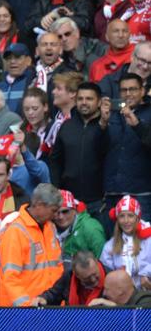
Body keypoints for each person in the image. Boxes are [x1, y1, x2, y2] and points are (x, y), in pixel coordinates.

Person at [0, 183, 64, 306]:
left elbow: (58, 268)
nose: (56, 216)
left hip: (48, 308)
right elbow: (11, 279)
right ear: (39, 205)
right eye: (53, 210)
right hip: (21, 313)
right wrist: (27, 307)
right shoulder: (15, 232)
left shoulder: (50, 228)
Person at [50, 82, 108, 213]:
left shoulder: (107, 125)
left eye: (89, 99)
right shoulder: (67, 126)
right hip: (70, 201)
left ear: (99, 102)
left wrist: (103, 125)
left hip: (99, 202)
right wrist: (57, 188)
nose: (84, 102)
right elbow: (55, 160)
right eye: (80, 99)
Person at [102, 74, 151, 220]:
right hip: (113, 192)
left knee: (144, 241)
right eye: (124, 90)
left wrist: (137, 125)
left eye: (133, 89)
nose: (128, 94)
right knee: (114, 241)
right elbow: (98, 149)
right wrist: (102, 124)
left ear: (142, 91)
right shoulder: (111, 113)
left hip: (141, 193)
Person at [100, 195, 151, 289]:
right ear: (117, 219)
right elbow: (105, 272)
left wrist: (146, 274)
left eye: (130, 216)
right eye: (122, 216)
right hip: (122, 294)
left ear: (137, 217)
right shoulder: (110, 246)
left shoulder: (148, 238)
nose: (126, 221)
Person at [34, 250, 107, 306]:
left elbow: (117, 304)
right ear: (76, 275)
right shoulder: (69, 276)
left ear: (97, 263)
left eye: (95, 274)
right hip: (72, 321)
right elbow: (54, 294)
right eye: (87, 278)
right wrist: (44, 298)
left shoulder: (110, 277)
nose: (93, 279)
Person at [53, 190, 106, 266]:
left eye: (65, 211)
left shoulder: (91, 229)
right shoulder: (49, 227)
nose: (61, 217)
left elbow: (101, 265)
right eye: (56, 212)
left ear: (74, 211)